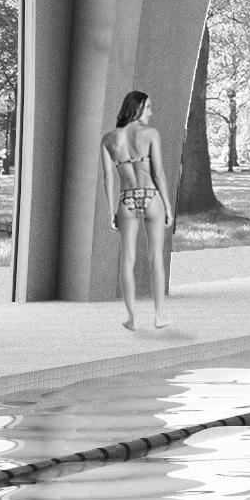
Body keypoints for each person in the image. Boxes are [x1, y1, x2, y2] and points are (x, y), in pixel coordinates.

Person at [100, 90, 173, 331]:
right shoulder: (150, 134)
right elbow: (158, 173)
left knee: (127, 260)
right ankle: (159, 316)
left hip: (126, 198)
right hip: (151, 196)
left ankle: (132, 318)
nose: (151, 113)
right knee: (156, 259)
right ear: (138, 108)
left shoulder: (108, 139)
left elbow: (108, 177)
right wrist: (168, 206)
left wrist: (112, 210)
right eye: (148, 107)